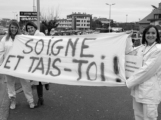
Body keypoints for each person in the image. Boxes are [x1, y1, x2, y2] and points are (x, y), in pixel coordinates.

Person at [126, 25, 161, 120]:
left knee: (149, 118)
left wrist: (128, 82)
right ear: (144, 35)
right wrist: (127, 38)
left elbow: (147, 70)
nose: (150, 35)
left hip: (150, 93)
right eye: (148, 33)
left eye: (153, 33)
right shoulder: (141, 47)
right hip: (138, 91)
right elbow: (129, 53)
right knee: (139, 117)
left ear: (157, 35)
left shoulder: (158, 50)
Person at [0, 20, 35, 109]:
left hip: (21, 65)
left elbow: (30, 46)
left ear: (18, 28)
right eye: (12, 27)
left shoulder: (22, 38)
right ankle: (13, 101)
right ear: (9, 28)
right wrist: (1, 65)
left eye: (15, 27)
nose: (13, 29)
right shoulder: (5, 39)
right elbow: (1, 52)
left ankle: (30, 100)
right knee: (10, 84)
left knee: (26, 83)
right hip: (9, 66)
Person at [25, 21, 49, 107]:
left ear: (35, 27)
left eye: (31, 28)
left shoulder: (41, 35)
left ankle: (47, 83)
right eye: (28, 29)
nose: (30, 29)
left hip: (42, 60)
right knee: (38, 81)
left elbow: (46, 45)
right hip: (34, 61)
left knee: (43, 78)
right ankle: (40, 98)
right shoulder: (27, 37)